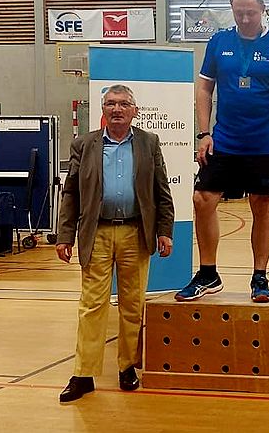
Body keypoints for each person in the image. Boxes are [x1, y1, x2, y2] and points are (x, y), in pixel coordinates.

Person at [175, 0, 269, 303]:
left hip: (266, 142)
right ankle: (208, 273)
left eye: (251, 12)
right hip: (225, 141)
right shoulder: (219, 42)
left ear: (263, 10)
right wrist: (204, 133)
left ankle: (260, 276)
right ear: (232, 11)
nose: (245, 18)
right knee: (203, 199)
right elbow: (204, 90)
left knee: (262, 205)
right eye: (239, 12)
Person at [56, 84, 174, 402]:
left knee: (132, 305)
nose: (117, 109)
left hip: (136, 233)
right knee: (92, 305)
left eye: (124, 104)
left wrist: (165, 230)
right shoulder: (84, 145)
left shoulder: (149, 143)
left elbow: (161, 190)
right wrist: (65, 234)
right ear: (103, 110)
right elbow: (71, 194)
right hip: (97, 233)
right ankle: (83, 374)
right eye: (111, 103)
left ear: (134, 111)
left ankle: (127, 367)